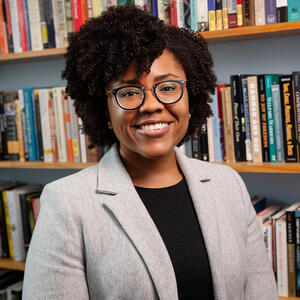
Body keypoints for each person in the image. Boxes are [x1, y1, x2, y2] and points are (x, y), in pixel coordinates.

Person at [22, 5, 278, 300]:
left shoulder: (228, 183)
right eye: (129, 92)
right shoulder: (66, 204)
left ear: (190, 95)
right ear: (104, 109)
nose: (151, 105)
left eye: (167, 87)